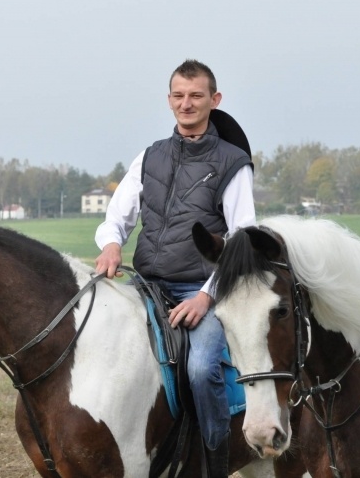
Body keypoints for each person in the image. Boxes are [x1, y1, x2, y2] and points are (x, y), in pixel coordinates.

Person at [95, 59, 255, 477]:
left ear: (214, 100)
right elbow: (117, 217)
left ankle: (214, 461)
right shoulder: (150, 156)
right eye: (179, 96)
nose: (187, 104)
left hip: (200, 288)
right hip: (146, 284)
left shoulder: (233, 162)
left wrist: (205, 297)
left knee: (201, 370)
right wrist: (111, 245)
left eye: (196, 95)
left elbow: (242, 242)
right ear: (169, 100)